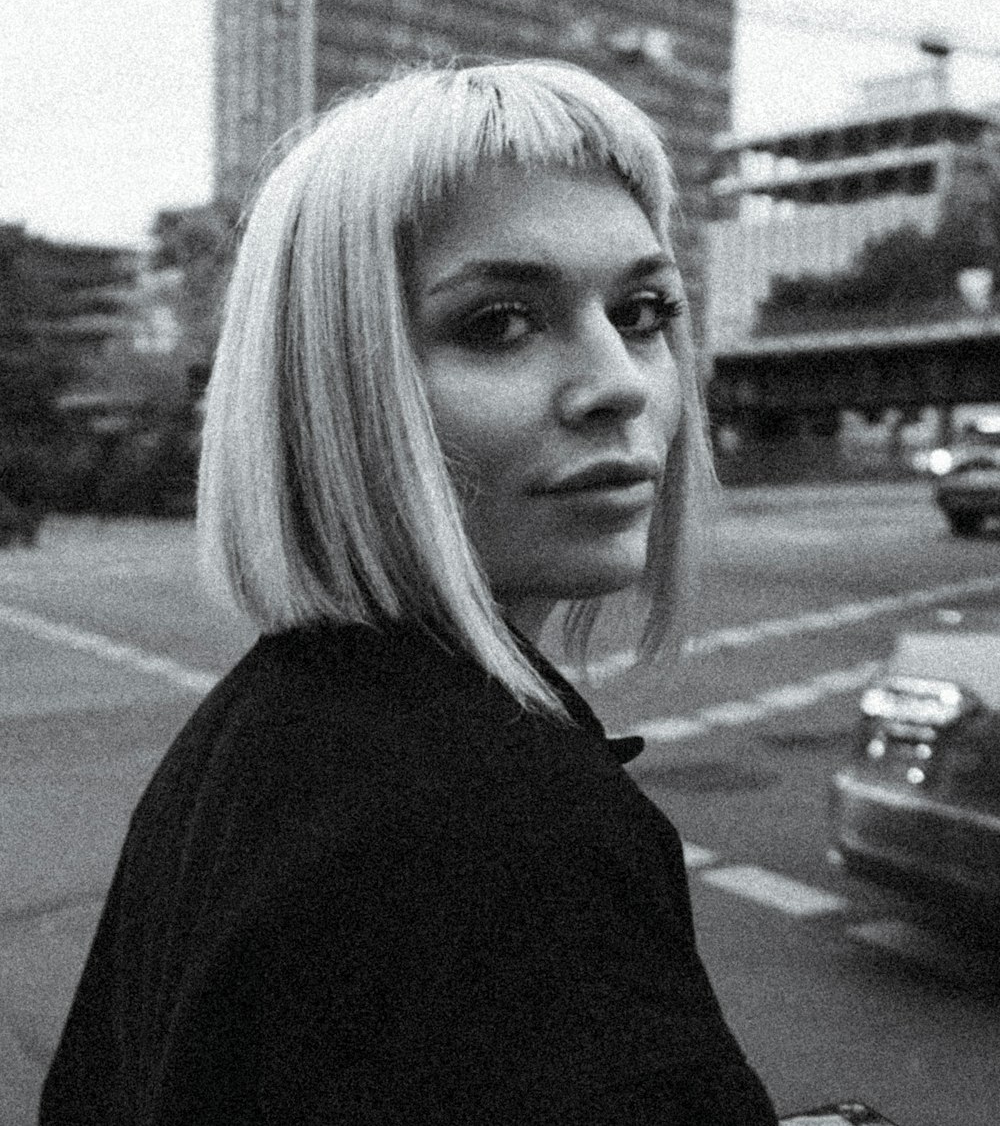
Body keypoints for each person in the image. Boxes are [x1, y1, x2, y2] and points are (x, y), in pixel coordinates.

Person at [40, 60, 777, 1124]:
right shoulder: (505, 832)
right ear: (334, 387)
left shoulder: (265, 730)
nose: (619, 379)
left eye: (643, 309)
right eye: (498, 324)